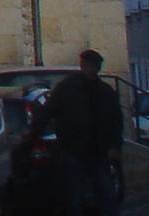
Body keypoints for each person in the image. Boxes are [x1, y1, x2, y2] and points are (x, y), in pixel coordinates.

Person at [31, 49, 122, 216]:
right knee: (75, 196)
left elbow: (116, 121)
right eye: (86, 65)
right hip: (72, 149)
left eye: (92, 66)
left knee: (104, 195)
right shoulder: (67, 89)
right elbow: (47, 112)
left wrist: (115, 146)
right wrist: (32, 134)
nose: (89, 69)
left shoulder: (104, 92)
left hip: (97, 150)